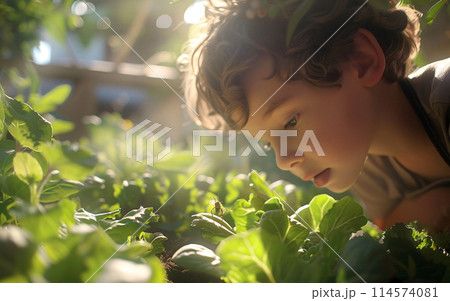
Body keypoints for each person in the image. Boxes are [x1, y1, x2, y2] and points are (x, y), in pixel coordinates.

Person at [180, 0, 450, 232]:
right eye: (266, 142)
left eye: (290, 122)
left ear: (360, 60)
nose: (284, 160)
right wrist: (428, 206)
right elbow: (388, 225)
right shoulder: (367, 170)